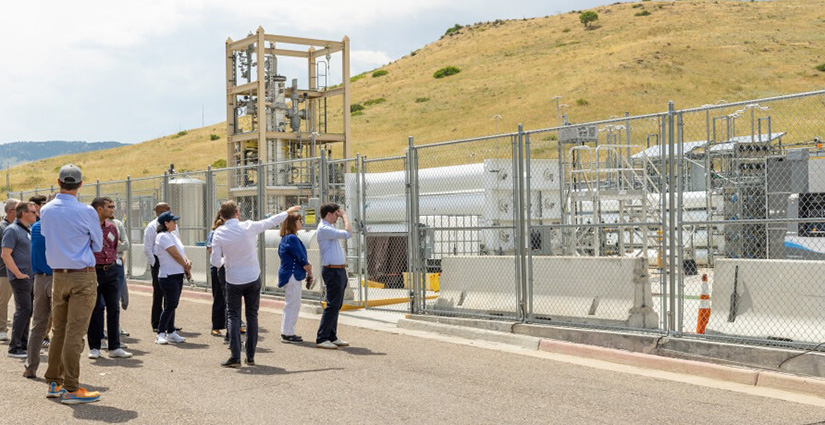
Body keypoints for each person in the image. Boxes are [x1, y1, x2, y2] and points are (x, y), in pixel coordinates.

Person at [210, 201, 299, 368]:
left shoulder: (219, 233)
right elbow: (269, 222)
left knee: (233, 316)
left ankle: (235, 357)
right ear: (237, 213)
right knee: (252, 316)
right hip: (252, 277)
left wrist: (225, 261)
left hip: (233, 279)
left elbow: (215, 261)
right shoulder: (248, 226)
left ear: (221, 216)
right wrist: (286, 212)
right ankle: (250, 356)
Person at [41, 164, 103, 404]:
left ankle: (54, 382)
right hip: (82, 274)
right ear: (80, 184)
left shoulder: (46, 210)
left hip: (58, 274)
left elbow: (47, 236)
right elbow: (97, 245)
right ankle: (71, 387)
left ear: (59, 182)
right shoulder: (86, 211)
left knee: (58, 330)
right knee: (75, 332)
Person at [87, 197, 131, 359]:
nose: (113, 209)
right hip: (94, 271)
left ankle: (114, 347)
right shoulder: (87, 227)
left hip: (111, 270)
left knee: (114, 308)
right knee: (96, 308)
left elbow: (115, 247)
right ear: (99, 209)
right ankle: (95, 347)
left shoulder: (112, 227)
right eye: (109, 206)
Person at [23, 195, 55, 378]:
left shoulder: (36, 227)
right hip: (57, 277)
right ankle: (57, 371)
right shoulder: (57, 229)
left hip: (40, 279)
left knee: (37, 324)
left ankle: (30, 366)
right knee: (60, 326)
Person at [2, 201, 38, 358]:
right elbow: (5, 254)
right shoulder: (12, 230)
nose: (36, 214)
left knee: (28, 310)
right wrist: (17, 274)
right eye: (32, 212)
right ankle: (14, 347)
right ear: (24, 213)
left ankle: (23, 344)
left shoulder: (27, 229)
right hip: (20, 278)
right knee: (23, 310)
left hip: (30, 276)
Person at [315, 203, 352, 350]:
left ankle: (332, 336)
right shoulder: (324, 229)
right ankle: (322, 337)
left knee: (337, 305)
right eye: (336, 214)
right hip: (332, 271)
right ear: (328, 214)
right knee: (332, 305)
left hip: (339, 271)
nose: (338, 217)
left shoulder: (329, 228)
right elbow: (348, 233)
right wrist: (345, 216)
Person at [154, 211, 190, 345]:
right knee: (170, 305)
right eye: (173, 221)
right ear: (166, 223)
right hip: (168, 275)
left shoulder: (172, 236)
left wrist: (187, 261)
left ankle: (171, 332)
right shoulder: (162, 237)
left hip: (177, 274)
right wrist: (185, 266)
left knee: (172, 304)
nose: (175, 223)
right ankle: (160, 333)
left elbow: (181, 252)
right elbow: (174, 254)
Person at [144, 202, 180, 333]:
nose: (170, 210)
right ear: (159, 211)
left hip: (172, 260)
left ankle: (169, 324)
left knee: (171, 295)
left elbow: (177, 242)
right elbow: (148, 248)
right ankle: (157, 323)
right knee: (159, 294)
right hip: (159, 261)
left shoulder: (173, 225)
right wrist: (155, 263)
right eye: (167, 208)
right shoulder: (151, 227)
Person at [278, 213, 312, 343]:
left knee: (291, 304)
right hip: (292, 274)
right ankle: (288, 333)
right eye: (299, 221)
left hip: (288, 274)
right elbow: (301, 257)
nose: (301, 223)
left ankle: (287, 331)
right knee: (293, 304)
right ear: (293, 223)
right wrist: (308, 268)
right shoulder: (292, 238)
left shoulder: (285, 238)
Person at [0, 198, 20, 343]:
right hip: (4, 270)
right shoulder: (3, 227)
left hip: (15, 269)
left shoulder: (16, 226)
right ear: (11, 211)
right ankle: (2, 329)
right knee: (3, 301)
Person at [206, 212, 226, 338]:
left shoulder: (231, 232)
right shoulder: (214, 233)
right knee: (219, 297)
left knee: (231, 298)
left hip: (229, 267)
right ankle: (216, 326)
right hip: (218, 268)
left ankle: (232, 324)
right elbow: (211, 250)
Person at [110, 216, 130, 337]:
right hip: (101, 265)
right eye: (109, 207)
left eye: (113, 207)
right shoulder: (94, 223)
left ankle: (115, 327)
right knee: (100, 302)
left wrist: (109, 246)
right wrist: (115, 244)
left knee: (115, 299)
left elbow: (126, 245)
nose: (112, 209)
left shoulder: (118, 224)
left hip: (117, 264)